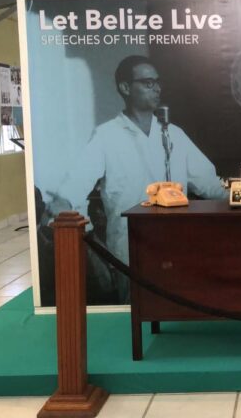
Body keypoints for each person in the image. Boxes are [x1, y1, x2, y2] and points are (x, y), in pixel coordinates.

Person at [53, 55, 227, 301]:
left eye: (158, 82)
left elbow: (210, 185)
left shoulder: (174, 134)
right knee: (137, 316)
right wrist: (93, 247)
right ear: (125, 88)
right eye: (148, 83)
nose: (157, 89)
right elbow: (69, 197)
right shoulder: (106, 136)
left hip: (179, 247)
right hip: (129, 255)